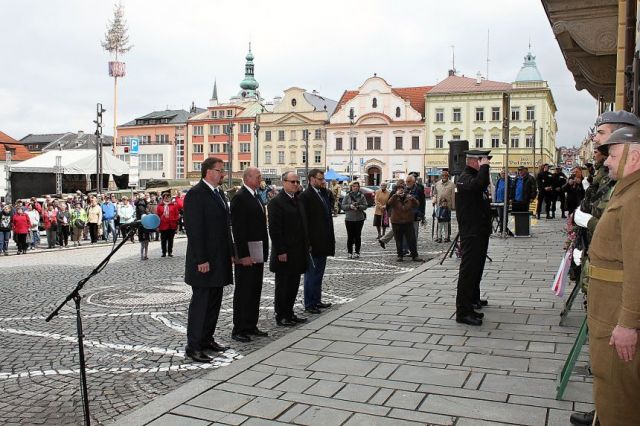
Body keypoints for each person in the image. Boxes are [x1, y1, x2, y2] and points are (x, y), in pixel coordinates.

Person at [568, 110, 640, 426]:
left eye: (612, 153)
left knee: (618, 397)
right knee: (610, 387)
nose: (606, 160)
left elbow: (637, 266)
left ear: (634, 156)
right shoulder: (625, 189)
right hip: (606, 304)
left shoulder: (634, 197)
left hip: (616, 312)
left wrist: (628, 323)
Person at [183, 157, 233, 363]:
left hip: (219, 259)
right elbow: (194, 231)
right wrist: (201, 259)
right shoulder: (196, 194)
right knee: (201, 305)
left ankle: (207, 339)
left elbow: (224, 226)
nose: (223, 174)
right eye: (220, 170)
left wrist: (231, 252)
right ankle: (193, 346)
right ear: (208, 172)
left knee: (214, 303)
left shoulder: (218, 193)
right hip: (203, 261)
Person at [229, 167, 270, 342]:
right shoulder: (240, 198)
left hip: (258, 250)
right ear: (247, 178)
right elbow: (238, 230)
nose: (261, 178)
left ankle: (251, 325)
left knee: (255, 290)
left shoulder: (255, 195)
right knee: (244, 291)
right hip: (247, 252)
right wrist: (243, 254)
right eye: (258, 176)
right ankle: (239, 328)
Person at [455, 149, 492, 326]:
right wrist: (484, 169)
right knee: (468, 272)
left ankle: (471, 303)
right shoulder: (464, 178)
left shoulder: (473, 177)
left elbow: (482, 188)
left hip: (479, 231)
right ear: (472, 161)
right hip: (471, 232)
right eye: (482, 161)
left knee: (476, 270)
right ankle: (462, 311)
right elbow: (478, 185)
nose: (485, 164)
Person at [268, 171, 309, 327]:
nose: (295, 184)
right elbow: (275, 230)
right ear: (283, 182)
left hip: (298, 251)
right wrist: (280, 251)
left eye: (297, 182)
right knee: (283, 286)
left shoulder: (298, 200)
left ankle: (290, 312)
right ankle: (281, 315)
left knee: (293, 284)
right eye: (292, 182)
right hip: (285, 252)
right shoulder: (276, 202)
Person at [299, 169, 335, 315]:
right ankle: (309, 303)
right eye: (320, 179)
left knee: (319, 273)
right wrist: (307, 242)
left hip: (323, 240)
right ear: (312, 179)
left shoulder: (323, 193)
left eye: (323, 179)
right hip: (313, 242)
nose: (323, 181)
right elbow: (305, 222)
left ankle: (317, 299)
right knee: (311, 274)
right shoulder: (305, 196)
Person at [387, 183, 422, 262]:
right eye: (399, 189)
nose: (401, 191)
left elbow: (417, 204)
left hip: (408, 221)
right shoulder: (394, 198)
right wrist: (395, 195)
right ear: (396, 191)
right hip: (397, 222)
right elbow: (389, 203)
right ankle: (400, 255)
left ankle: (415, 255)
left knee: (411, 239)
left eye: (402, 189)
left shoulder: (409, 197)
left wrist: (412, 198)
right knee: (398, 240)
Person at [341, 181, 368, 259]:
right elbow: (342, 206)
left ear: (359, 187)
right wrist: (350, 206)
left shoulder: (362, 196)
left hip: (359, 219)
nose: (355, 187)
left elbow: (365, 206)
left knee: (357, 236)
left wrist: (359, 206)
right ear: (351, 187)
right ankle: (350, 252)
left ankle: (357, 252)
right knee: (350, 236)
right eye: (354, 186)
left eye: (357, 186)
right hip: (349, 219)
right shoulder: (347, 196)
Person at [157, 192, 179, 257]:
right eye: (165, 197)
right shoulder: (160, 206)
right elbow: (158, 216)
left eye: (168, 197)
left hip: (171, 225)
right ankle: (163, 252)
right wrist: (158, 225)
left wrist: (175, 221)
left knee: (170, 239)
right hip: (163, 225)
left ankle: (170, 252)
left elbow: (176, 215)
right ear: (163, 198)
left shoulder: (174, 206)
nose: (167, 198)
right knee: (163, 240)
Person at [405, 174, 426, 241]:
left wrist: (422, 214)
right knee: (406, 231)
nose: (407, 183)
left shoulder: (419, 189)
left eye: (409, 182)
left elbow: (422, 203)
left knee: (414, 231)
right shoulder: (404, 189)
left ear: (413, 182)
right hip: (405, 214)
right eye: (406, 181)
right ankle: (407, 246)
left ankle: (413, 246)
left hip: (415, 214)